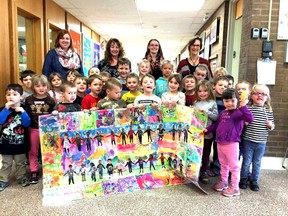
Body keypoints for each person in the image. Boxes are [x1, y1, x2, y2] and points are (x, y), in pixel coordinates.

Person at [203, 88, 254, 197]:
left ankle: (235, 187)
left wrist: (243, 106)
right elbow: (217, 125)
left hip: (232, 144)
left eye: (232, 100)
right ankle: (224, 181)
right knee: (223, 164)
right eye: (226, 101)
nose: (229, 103)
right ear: (223, 102)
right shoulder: (223, 113)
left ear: (237, 100)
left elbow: (250, 118)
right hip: (220, 143)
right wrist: (208, 129)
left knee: (234, 166)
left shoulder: (239, 112)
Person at [239, 84, 275, 192]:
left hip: (261, 142)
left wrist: (270, 125)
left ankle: (254, 180)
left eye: (263, 94)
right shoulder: (248, 108)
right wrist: (244, 123)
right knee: (246, 161)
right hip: (248, 141)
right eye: (257, 93)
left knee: (257, 162)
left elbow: (272, 126)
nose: (260, 95)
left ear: (267, 97)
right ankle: (243, 179)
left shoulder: (268, 110)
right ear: (251, 96)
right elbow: (241, 121)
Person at [25, 75, 56, 184]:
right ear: (33, 87)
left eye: (43, 86)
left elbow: (54, 114)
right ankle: (34, 170)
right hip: (33, 128)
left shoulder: (51, 100)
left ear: (47, 87)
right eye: (38, 86)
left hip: (47, 130)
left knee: (48, 150)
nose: (41, 88)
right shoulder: (28, 100)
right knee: (33, 150)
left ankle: (50, 169)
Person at [0, 84, 31, 191]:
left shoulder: (25, 109)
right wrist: (6, 109)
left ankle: (21, 177)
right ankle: (3, 180)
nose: (11, 97)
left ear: (21, 97)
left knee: (20, 162)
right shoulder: (3, 109)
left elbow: (27, 124)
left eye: (14, 94)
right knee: (6, 163)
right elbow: (0, 121)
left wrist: (22, 112)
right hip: (5, 143)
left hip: (20, 142)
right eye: (8, 95)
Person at [193, 80, 218, 184]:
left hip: (207, 133)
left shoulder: (212, 103)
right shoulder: (195, 103)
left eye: (205, 91)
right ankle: (195, 171)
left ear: (209, 91)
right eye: (200, 91)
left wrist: (206, 112)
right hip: (197, 133)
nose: (202, 93)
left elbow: (216, 117)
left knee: (206, 153)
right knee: (196, 152)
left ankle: (203, 171)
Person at [207, 76, 229, 177]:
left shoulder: (227, 99)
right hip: (210, 124)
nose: (222, 87)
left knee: (218, 147)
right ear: (214, 86)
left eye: (225, 86)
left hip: (221, 127)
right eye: (220, 85)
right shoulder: (211, 98)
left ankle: (217, 167)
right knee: (207, 145)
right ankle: (206, 164)